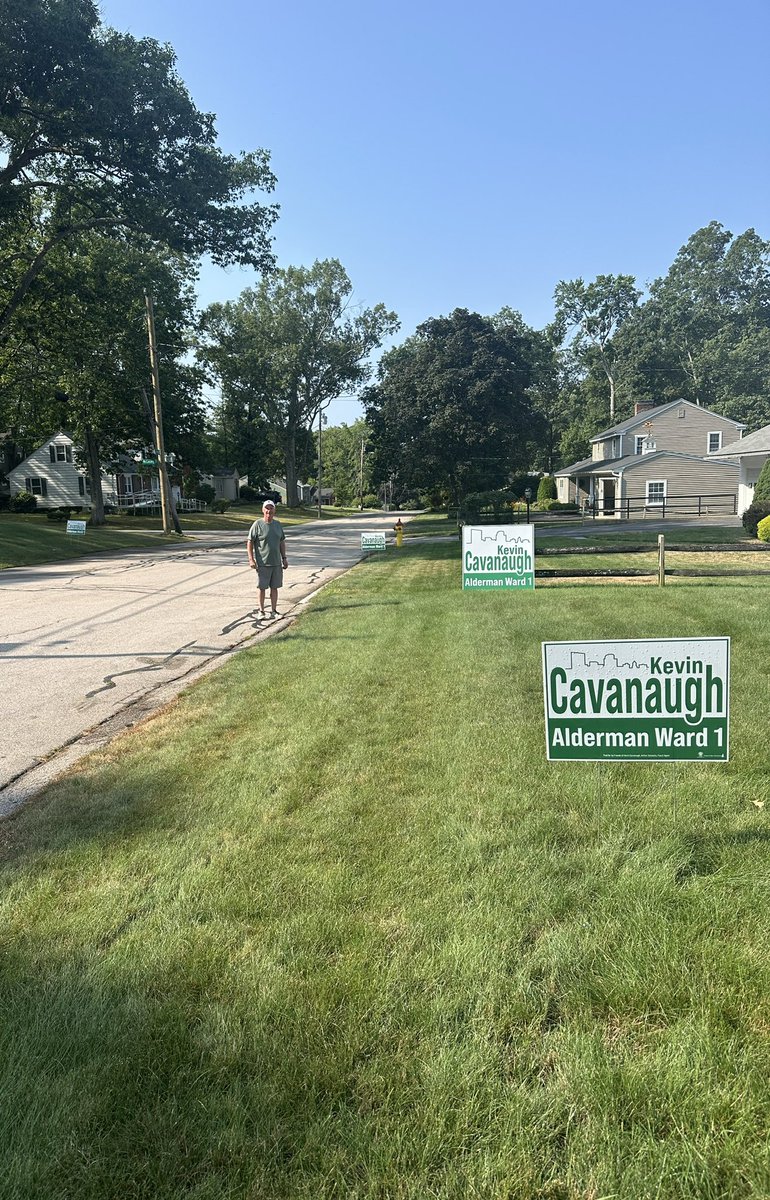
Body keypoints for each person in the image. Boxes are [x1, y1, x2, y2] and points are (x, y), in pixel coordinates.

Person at [246, 500, 288, 618]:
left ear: (274, 510)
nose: (269, 511)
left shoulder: (277, 524)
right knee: (262, 587)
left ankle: (274, 611)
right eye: (267, 508)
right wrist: (251, 559)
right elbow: (250, 542)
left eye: (271, 508)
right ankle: (261, 611)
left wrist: (284, 558)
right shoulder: (257, 525)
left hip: (276, 562)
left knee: (274, 587)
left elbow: (281, 542)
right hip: (262, 563)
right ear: (263, 510)